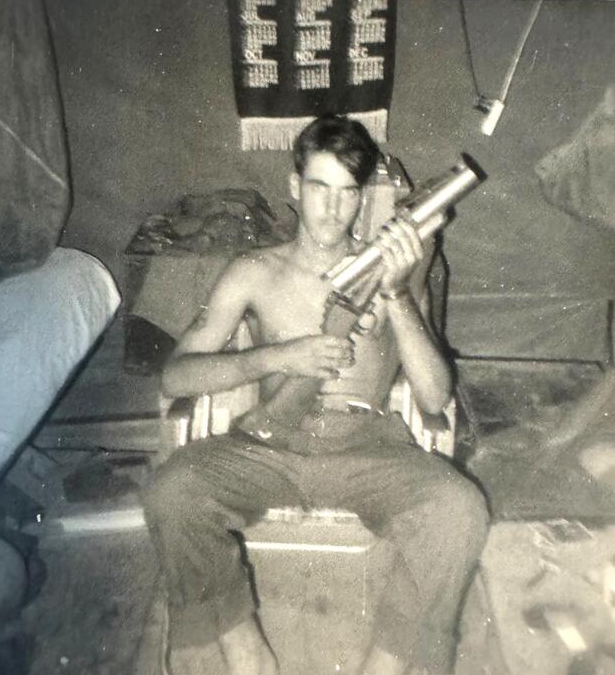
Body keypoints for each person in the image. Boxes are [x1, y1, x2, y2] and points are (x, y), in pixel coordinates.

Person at [142, 114, 489, 675]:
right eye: (319, 187)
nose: (332, 208)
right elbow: (175, 378)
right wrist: (278, 358)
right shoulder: (253, 271)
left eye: (348, 193)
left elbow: (434, 396)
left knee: (461, 510)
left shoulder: (389, 270)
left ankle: (384, 664)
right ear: (294, 186)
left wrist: (398, 295)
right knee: (172, 490)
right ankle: (245, 649)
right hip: (269, 446)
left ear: (363, 198)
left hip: (367, 446)